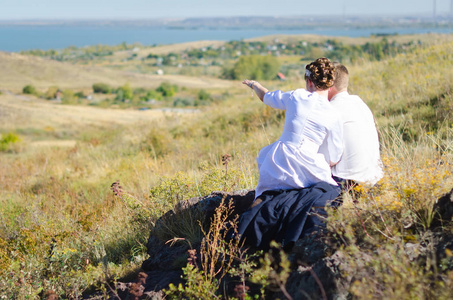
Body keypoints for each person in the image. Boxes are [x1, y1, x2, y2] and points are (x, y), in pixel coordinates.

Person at [237, 58, 344, 250]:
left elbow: (267, 97)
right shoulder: (334, 114)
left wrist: (254, 85)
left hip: (279, 162)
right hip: (310, 166)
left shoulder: (297, 96)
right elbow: (335, 155)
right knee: (326, 190)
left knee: (268, 195)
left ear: (309, 81)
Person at [321, 62, 383, 187]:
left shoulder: (332, 109)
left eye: (321, 84)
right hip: (375, 177)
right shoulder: (359, 103)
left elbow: (326, 157)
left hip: (349, 181)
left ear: (330, 85)